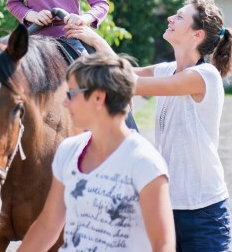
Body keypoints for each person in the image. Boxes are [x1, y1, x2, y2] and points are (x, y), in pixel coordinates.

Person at [64, 0, 232, 252]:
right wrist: (91, 40)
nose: (170, 17)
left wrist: (93, 46)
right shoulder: (168, 70)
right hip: (166, 207)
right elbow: (125, 72)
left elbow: (130, 84)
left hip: (204, 212)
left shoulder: (205, 76)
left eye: (179, 17)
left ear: (197, 34)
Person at [19, 52, 176, 252]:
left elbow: (163, 246)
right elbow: (47, 225)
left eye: (71, 94)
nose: (65, 103)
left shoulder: (145, 162)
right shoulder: (68, 151)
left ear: (98, 97)